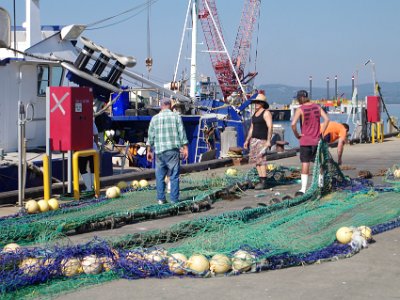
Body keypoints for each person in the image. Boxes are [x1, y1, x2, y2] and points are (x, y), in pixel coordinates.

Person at [146, 97, 189, 204]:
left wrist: (149, 151)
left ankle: (161, 199)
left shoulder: (154, 119)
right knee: (174, 176)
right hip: (172, 151)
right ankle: (174, 200)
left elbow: (150, 137)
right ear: (170, 105)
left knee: (160, 176)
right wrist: (185, 148)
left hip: (159, 151)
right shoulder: (176, 117)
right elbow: (182, 133)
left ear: (161, 106)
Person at [291, 90, 330, 194]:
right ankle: (321, 186)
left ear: (299, 98)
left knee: (305, 163)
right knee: (319, 163)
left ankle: (303, 189)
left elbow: (293, 124)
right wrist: (322, 131)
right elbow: (327, 119)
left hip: (305, 140)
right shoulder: (317, 107)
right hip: (317, 140)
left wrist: (297, 135)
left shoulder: (300, 109)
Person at [244, 92, 273, 190]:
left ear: (263, 104)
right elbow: (252, 128)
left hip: (262, 140)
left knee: (262, 160)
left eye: (258, 102)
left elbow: (270, 126)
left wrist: (268, 141)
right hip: (254, 140)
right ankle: (261, 180)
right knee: (256, 161)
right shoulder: (255, 114)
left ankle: (264, 181)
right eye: (255, 102)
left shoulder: (266, 113)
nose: (256, 104)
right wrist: (247, 140)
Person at [79, 122, 99, 192]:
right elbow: (96, 134)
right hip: (92, 148)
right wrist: (96, 144)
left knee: (82, 168)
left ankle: (89, 188)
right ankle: (94, 187)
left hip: (80, 149)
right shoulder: (90, 121)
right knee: (93, 168)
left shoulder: (75, 122)